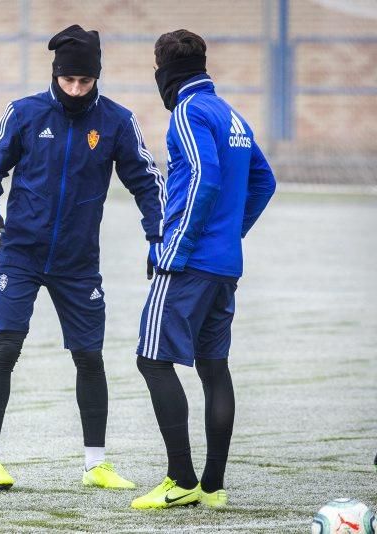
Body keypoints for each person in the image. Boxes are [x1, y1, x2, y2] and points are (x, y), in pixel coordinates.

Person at [0, 25, 165, 491]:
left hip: (79, 264)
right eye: (68, 80)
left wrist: (157, 236)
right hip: (19, 253)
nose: (75, 89)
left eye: (85, 81)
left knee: (89, 357)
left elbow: (147, 180)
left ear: (97, 77)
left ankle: (96, 463)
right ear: (55, 75)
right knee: (5, 348)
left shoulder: (117, 122)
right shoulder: (24, 112)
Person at [130, 29, 276, 510]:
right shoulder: (231, 114)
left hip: (189, 263)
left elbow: (203, 179)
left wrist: (176, 248)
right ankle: (213, 486)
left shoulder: (188, 113)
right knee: (214, 369)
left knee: (152, 359)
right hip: (224, 266)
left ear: (163, 69)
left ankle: (181, 478)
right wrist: (231, 236)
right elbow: (264, 180)